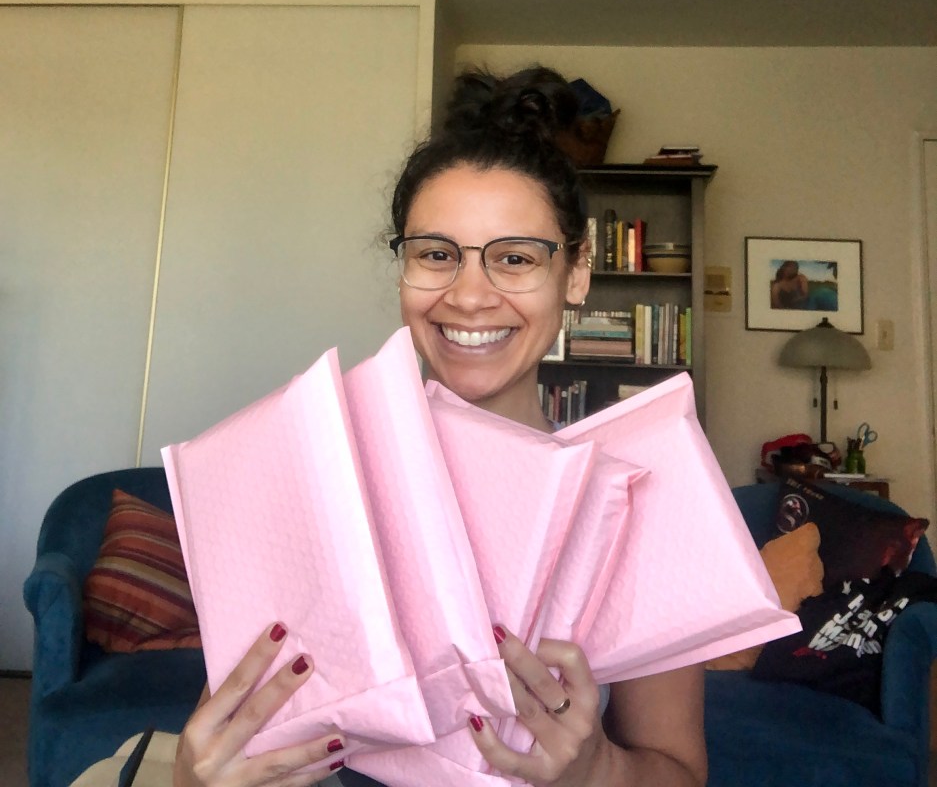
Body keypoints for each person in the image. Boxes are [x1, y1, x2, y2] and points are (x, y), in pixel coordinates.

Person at [88, 67, 707, 787]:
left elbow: (679, 772)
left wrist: (596, 768)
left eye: (514, 258)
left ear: (575, 273)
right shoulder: (323, 477)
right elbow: (232, 729)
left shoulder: (636, 506)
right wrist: (196, 780)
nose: (469, 296)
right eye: (436, 255)